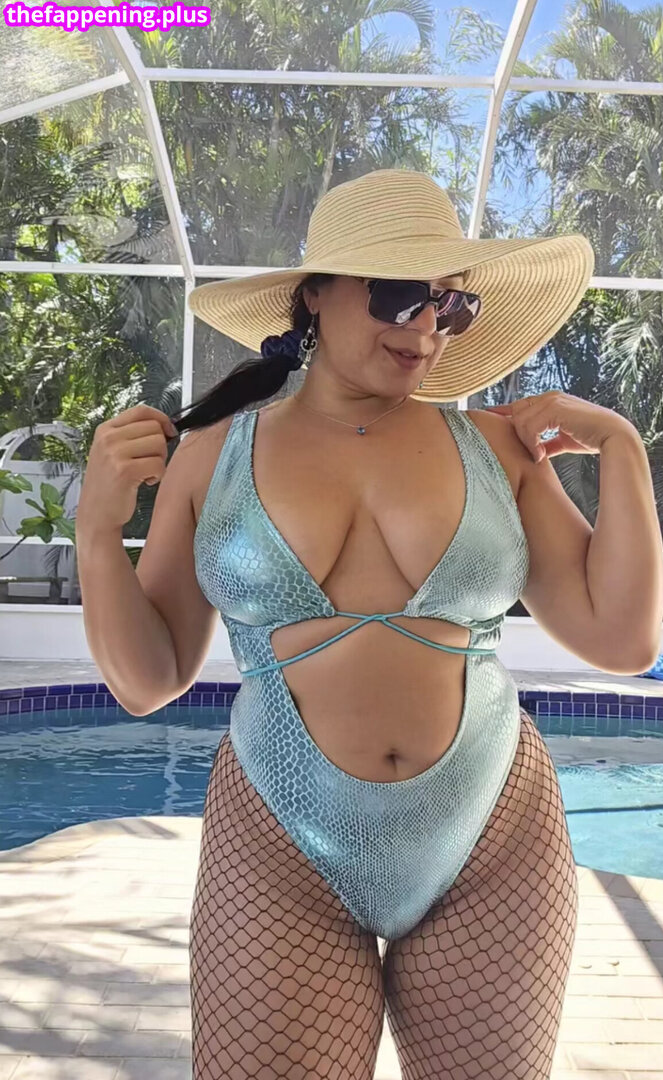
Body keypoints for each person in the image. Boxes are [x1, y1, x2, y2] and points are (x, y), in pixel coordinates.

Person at [77, 167, 602, 1079]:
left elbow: (614, 635)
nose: (424, 327)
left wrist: (621, 449)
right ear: (314, 294)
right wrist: (96, 527)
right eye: (399, 294)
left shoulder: (496, 447)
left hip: (491, 831)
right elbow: (148, 681)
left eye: (449, 305)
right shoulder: (211, 458)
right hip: (280, 840)